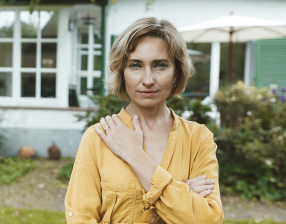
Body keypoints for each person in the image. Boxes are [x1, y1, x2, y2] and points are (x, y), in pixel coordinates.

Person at [65, 17, 224, 224]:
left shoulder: (199, 139)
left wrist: (134, 155)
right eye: (135, 66)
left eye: (160, 65)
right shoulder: (97, 139)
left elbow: (209, 220)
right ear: (122, 73)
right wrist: (182, 194)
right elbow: (81, 219)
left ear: (176, 72)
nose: (148, 80)